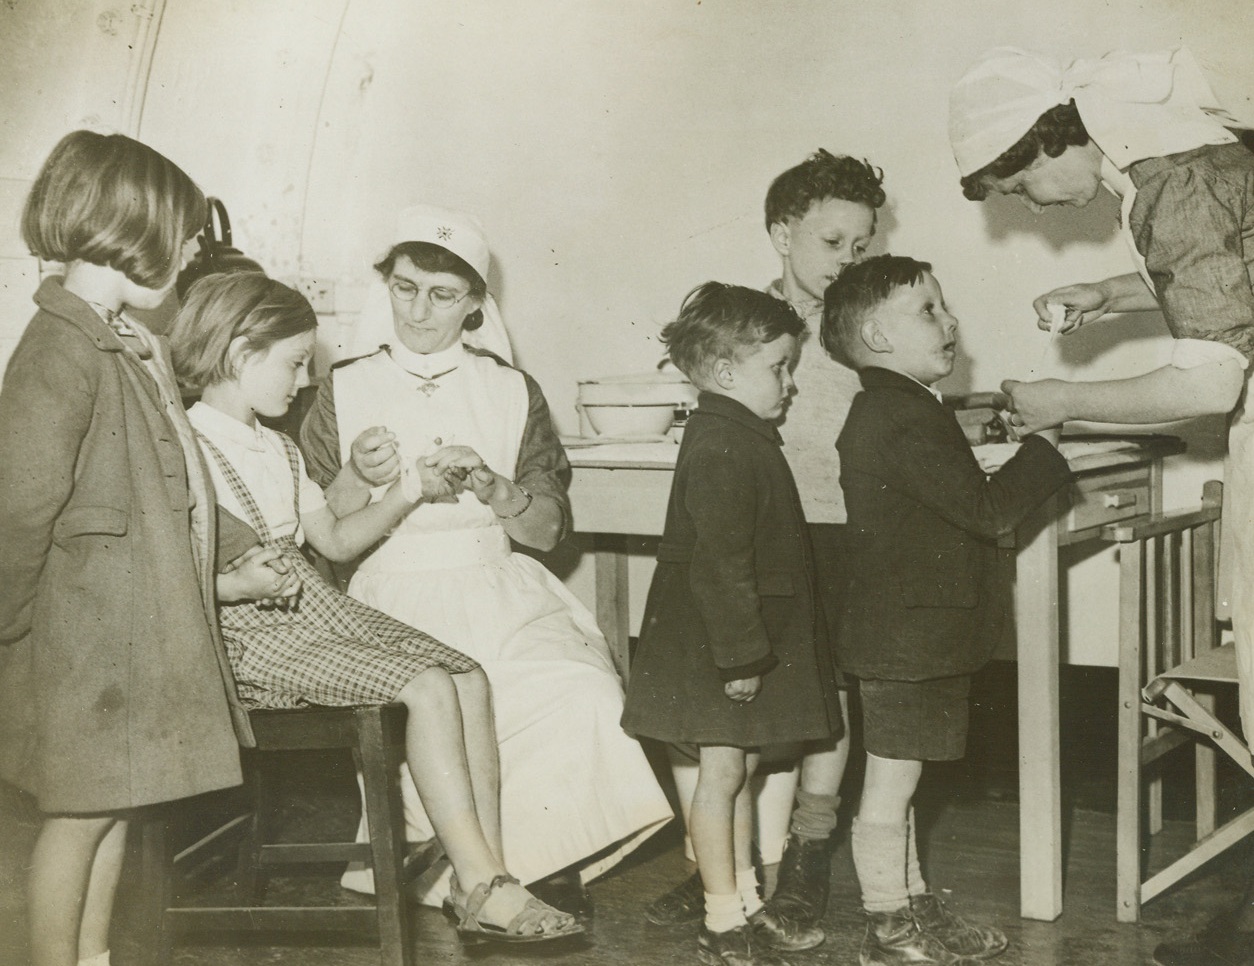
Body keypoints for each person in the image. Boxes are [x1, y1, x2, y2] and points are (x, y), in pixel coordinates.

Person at [949, 46, 1254, 966]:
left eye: (1021, 189)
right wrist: (1113, 296)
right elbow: (1225, 286)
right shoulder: (1189, 151)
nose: (1039, 208)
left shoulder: (1172, 176)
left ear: (1044, 148)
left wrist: (1061, 401)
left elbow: (1209, 382)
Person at [168, 270, 582, 944]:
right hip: (241, 637)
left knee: (465, 673)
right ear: (242, 352)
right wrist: (236, 583)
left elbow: (331, 537)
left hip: (308, 612)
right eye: (295, 362)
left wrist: (409, 489)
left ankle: (488, 875)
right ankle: (482, 884)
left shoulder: (277, 446)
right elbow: (167, 577)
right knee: (424, 683)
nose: (305, 381)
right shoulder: (184, 449)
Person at [299, 204, 672, 913]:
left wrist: (497, 487)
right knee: (444, 702)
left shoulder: (510, 389)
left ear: (474, 304)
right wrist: (356, 470)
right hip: (391, 590)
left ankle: (543, 857)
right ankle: (474, 873)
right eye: (405, 287)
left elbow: (548, 532)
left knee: (577, 690)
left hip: (498, 584)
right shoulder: (340, 387)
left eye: (443, 295)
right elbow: (320, 526)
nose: (419, 309)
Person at [0, 131, 248, 966]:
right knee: (76, 821)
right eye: (179, 235)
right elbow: (17, 510)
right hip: (83, 640)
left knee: (114, 810)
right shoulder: (62, 348)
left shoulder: (124, 341)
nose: (186, 253)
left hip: (123, 637)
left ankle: (94, 958)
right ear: (128, 227)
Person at [646, 150, 886, 931]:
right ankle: (727, 867)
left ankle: (808, 857)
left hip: (843, 531)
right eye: (831, 242)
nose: (849, 260)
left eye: (861, 244)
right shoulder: (749, 325)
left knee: (828, 700)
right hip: (765, 536)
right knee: (733, 720)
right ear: (783, 233)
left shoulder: (868, 324)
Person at [822, 255, 1072, 966]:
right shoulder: (898, 416)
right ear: (875, 336)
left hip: (914, 630)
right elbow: (987, 512)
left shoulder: (906, 408)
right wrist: (1044, 444)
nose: (951, 320)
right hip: (906, 635)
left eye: (944, 305)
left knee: (901, 781)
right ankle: (886, 924)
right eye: (928, 310)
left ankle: (911, 906)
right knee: (891, 785)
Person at [622, 282, 842, 966]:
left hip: (727, 644)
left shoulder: (736, 434)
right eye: (778, 367)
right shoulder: (723, 444)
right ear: (724, 373)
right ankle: (721, 918)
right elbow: (721, 566)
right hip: (718, 648)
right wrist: (742, 658)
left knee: (737, 770)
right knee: (722, 777)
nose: (789, 383)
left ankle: (742, 895)